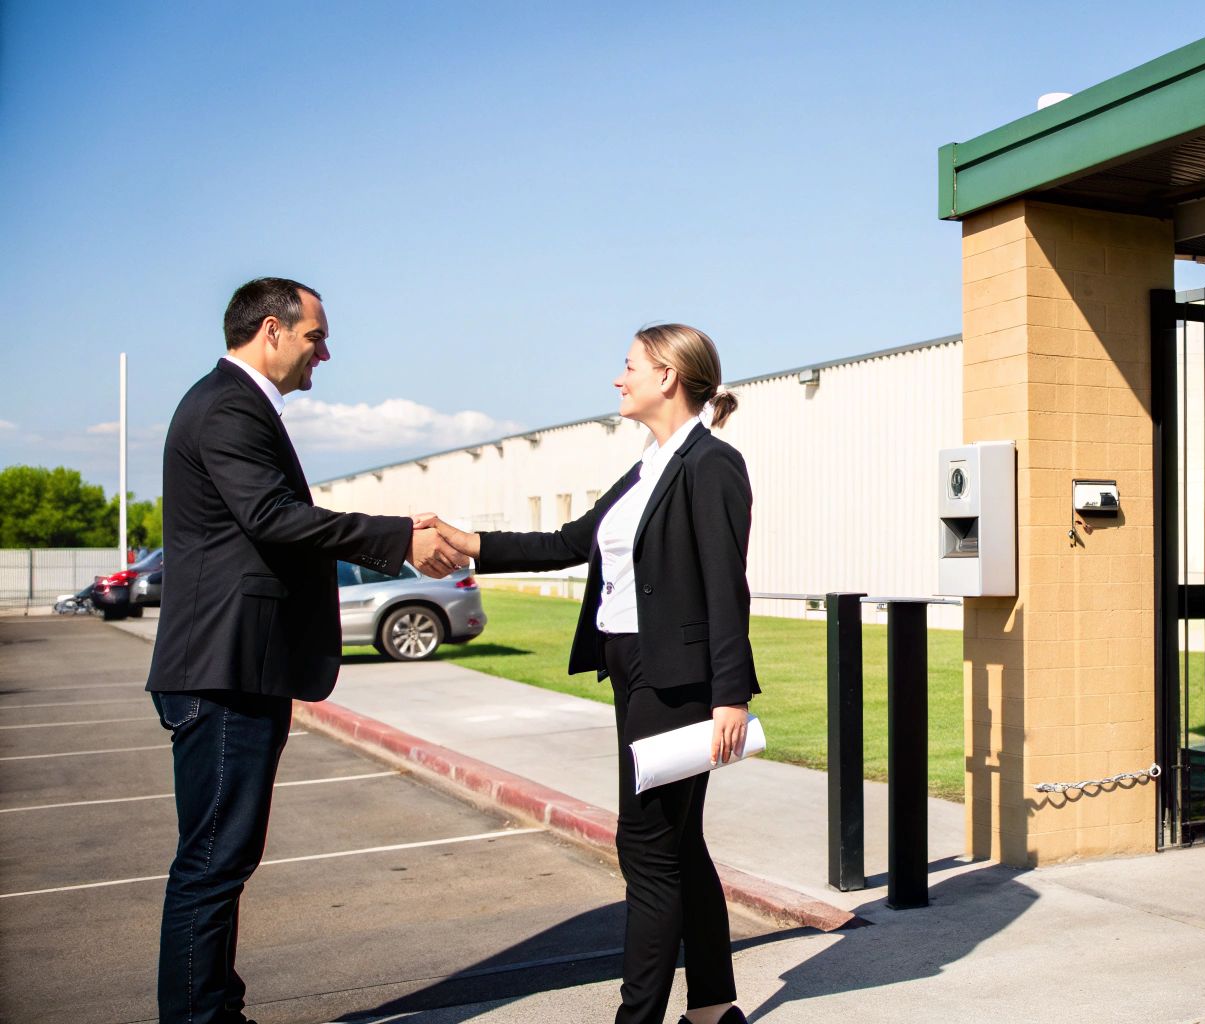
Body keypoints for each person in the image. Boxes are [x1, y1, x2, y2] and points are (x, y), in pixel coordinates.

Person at [145, 277, 469, 1024]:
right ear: (271, 331)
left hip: (237, 664)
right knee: (213, 862)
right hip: (223, 669)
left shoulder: (233, 403)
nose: (325, 352)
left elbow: (277, 518)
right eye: (316, 336)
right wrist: (398, 538)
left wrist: (393, 532)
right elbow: (273, 517)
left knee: (224, 858)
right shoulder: (228, 404)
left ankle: (215, 1007)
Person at [422, 323, 757, 1024]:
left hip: (678, 681)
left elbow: (727, 586)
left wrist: (729, 694)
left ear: (668, 375)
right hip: (631, 668)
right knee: (675, 841)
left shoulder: (710, 464)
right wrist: (467, 539)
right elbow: (566, 543)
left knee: (646, 848)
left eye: (629, 365)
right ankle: (714, 1007)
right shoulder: (648, 467)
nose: (618, 378)